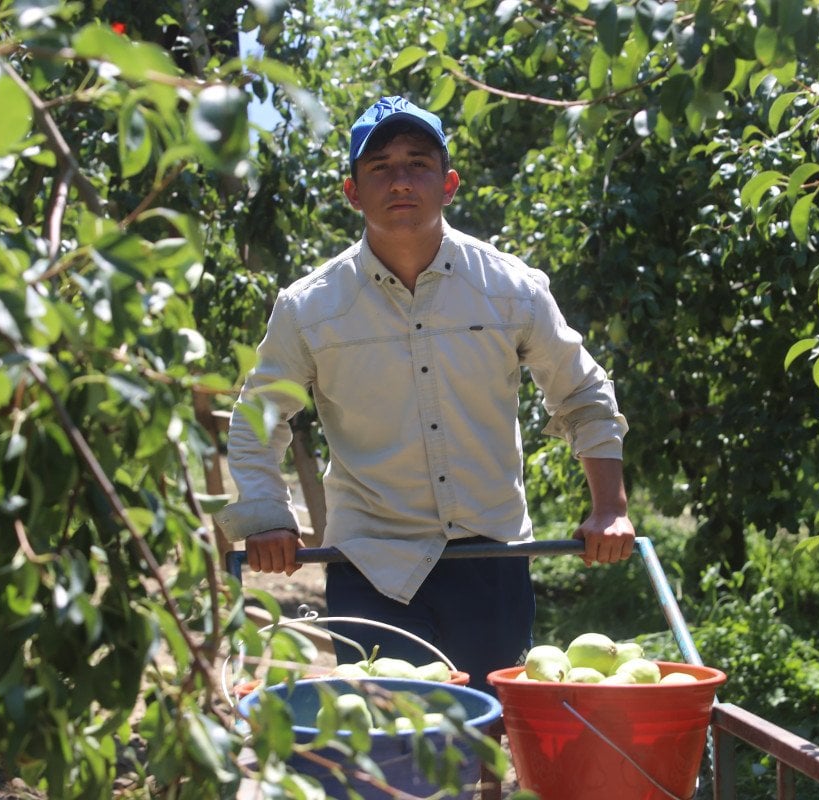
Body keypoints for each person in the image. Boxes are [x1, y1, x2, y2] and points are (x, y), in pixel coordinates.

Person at [215, 95, 635, 796]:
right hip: (372, 563)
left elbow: (582, 393)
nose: (400, 181)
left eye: (417, 164)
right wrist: (267, 515)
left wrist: (609, 507)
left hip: (489, 559)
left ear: (449, 182)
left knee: (485, 758)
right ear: (353, 191)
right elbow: (259, 416)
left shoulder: (509, 288)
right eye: (379, 167)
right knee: (383, 759)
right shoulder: (311, 306)